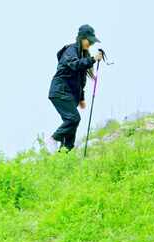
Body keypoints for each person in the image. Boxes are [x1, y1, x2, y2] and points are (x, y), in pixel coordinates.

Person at [47, 24, 104, 152]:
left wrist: (81, 98)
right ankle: (53, 139)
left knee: (71, 128)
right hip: (59, 91)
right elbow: (75, 65)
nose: (90, 44)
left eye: (91, 42)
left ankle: (63, 156)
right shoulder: (70, 51)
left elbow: (81, 80)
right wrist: (93, 59)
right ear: (81, 38)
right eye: (88, 41)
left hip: (70, 95)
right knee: (74, 118)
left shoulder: (83, 55)